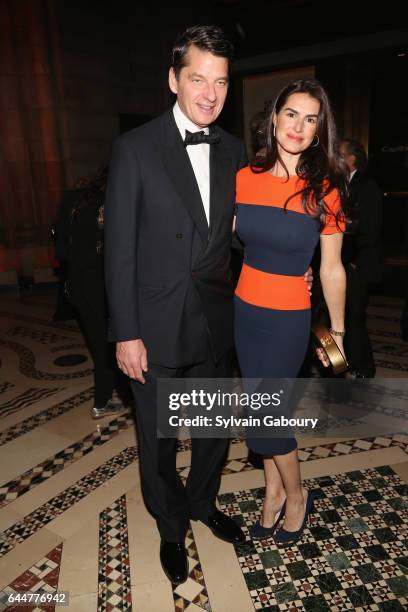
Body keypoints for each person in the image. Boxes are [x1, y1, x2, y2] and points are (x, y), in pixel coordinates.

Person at [104, 26, 250, 586]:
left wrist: (289, 259)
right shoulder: (136, 147)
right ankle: (169, 525)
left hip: (215, 320)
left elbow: (231, 234)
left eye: (220, 82)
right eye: (197, 79)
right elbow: (119, 250)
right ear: (173, 80)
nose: (209, 93)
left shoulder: (234, 149)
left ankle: (202, 503)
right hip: (155, 323)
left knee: (213, 430)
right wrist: (127, 332)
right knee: (160, 437)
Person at [234, 79, 347, 546]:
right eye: (291, 114)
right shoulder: (243, 178)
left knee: (268, 417)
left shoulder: (325, 190)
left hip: (287, 317)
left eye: (311, 118)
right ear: (273, 116)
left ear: (320, 130)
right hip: (244, 309)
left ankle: (296, 496)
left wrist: (338, 330)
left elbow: (333, 268)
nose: (299, 126)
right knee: (258, 411)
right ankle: (273, 492)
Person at [55, 168, 125, 419]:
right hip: (105, 283)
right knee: (118, 341)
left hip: (78, 283)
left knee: (98, 342)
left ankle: (104, 399)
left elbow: (61, 249)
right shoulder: (114, 199)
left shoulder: (73, 199)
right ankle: (109, 398)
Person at [339, 138, 383, 377]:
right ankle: (352, 363)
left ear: (352, 158)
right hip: (346, 262)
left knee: (354, 316)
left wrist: (355, 259)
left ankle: (364, 368)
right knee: (346, 316)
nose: (336, 157)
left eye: (340, 153)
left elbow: (370, 228)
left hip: (359, 263)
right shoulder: (344, 184)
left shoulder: (367, 186)